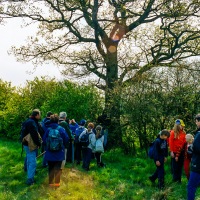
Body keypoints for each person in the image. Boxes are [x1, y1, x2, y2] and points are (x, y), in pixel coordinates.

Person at [43, 114, 69, 188]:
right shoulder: (61, 129)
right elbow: (66, 139)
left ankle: (50, 184)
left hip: (49, 153)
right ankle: (57, 184)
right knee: (57, 169)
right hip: (59, 153)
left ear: (50, 121)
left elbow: (44, 140)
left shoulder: (48, 129)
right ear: (58, 121)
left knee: (50, 168)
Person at [21, 109, 42, 185]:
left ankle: (28, 170)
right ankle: (30, 179)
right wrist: (39, 143)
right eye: (39, 114)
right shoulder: (32, 122)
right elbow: (34, 134)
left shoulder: (27, 121)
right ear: (36, 115)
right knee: (32, 162)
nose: (40, 116)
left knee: (29, 159)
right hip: (30, 144)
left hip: (25, 143)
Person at [169, 119, 186, 183]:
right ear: (178, 125)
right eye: (182, 126)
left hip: (181, 152)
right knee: (175, 166)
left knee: (180, 166)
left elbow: (184, 142)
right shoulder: (173, 132)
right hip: (174, 152)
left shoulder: (184, 133)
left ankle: (179, 180)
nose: (183, 127)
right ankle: (174, 180)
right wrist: (171, 151)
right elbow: (170, 143)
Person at [187, 114, 200, 200]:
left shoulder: (199, 134)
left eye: (196, 121)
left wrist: (190, 147)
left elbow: (197, 149)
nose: (196, 123)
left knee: (191, 186)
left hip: (198, 165)